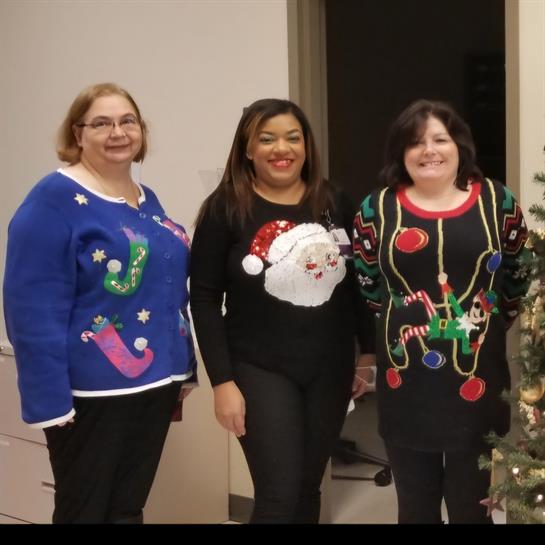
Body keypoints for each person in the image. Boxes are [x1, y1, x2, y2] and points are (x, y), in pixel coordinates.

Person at [3, 83, 196, 524]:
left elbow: (164, 288)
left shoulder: (146, 200)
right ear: (78, 134)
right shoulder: (52, 201)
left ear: (141, 131)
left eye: (127, 121)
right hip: (90, 393)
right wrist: (49, 401)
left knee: (127, 509)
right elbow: (30, 310)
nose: (117, 132)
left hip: (152, 384)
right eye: (101, 123)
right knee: (84, 511)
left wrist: (183, 366)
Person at [190, 98, 375, 523]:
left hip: (328, 368)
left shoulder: (335, 202)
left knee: (308, 490)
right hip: (259, 368)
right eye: (267, 139)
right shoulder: (226, 208)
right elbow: (202, 298)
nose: (281, 149)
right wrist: (223, 382)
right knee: (278, 494)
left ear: (306, 147)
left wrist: (366, 354)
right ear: (248, 149)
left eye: (293, 138)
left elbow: (356, 286)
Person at [353, 99, 530, 524]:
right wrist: (411, 321)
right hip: (407, 387)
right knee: (415, 508)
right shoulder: (376, 210)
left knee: (473, 509)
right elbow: (366, 280)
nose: (428, 150)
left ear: (459, 146)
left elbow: (519, 272)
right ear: (401, 152)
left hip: (477, 380)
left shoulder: (496, 200)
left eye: (439, 139)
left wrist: (482, 322)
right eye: (415, 143)